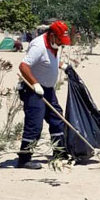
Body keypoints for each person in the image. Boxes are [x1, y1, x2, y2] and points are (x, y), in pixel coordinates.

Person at [16, 20, 73, 169]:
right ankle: (24, 158)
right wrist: (35, 84)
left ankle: (59, 152)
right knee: (34, 125)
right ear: (53, 35)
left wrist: (62, 65)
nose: (61, 44)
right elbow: (23, 66)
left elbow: (49, 61)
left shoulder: (54, 44)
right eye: (60, 40)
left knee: (57, 119)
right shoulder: (38, 45)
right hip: (34, 90)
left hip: (48, 90)